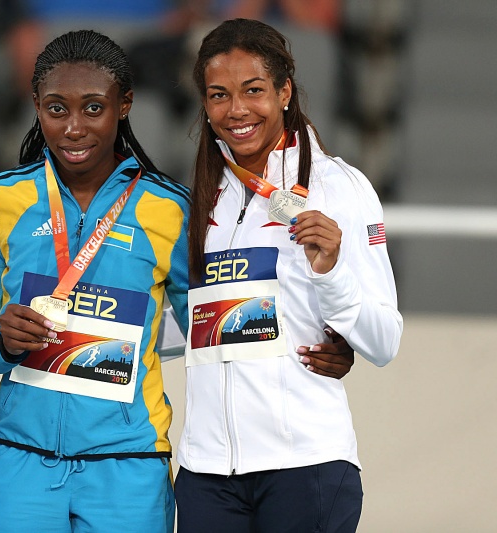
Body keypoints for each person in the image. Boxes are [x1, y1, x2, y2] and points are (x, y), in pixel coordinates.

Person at [174, 19, 403, 532]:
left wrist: (332, 273)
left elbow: (384, 341)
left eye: (253, 90)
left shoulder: (338, 187)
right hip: (206, 471)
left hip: (305, 464)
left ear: (284, 92)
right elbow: (190, 323)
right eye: (219, 95)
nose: (236, 110)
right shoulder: (203, 194)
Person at [0, 29, 190, 533]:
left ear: (124, 105)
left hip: (129, 465)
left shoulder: (169, 207)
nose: (73, 128)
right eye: (56, 109)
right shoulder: (1, 199)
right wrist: (3, 340)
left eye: (93, 108)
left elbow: (205, 329)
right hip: (18, 460)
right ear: (36, 106)